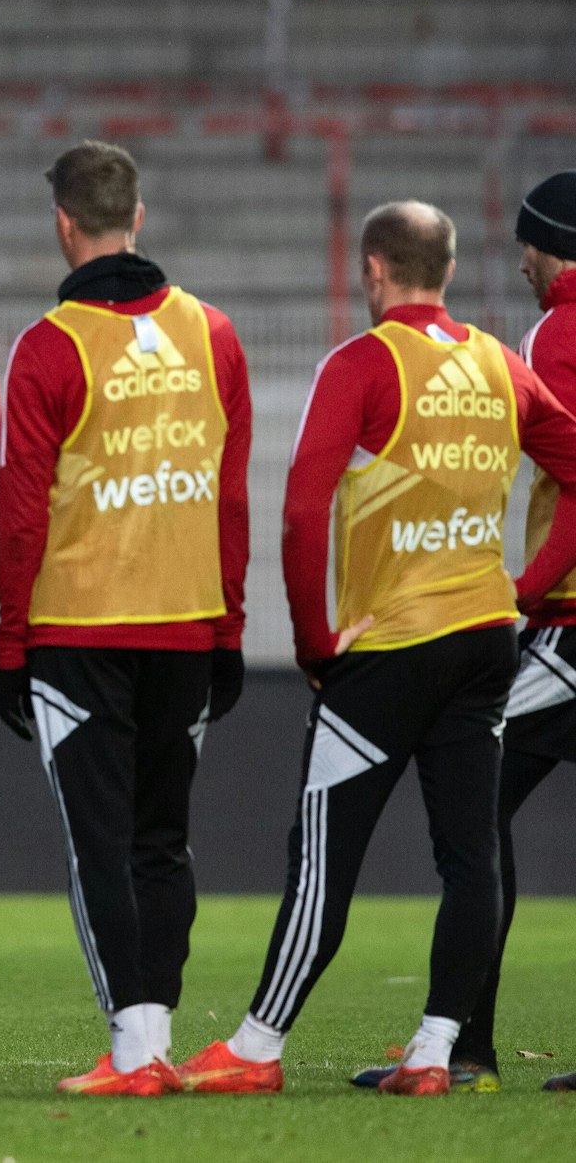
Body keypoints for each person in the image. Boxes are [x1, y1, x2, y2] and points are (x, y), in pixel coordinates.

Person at [178, 201, 576, 1096]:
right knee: (471, 854)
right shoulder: (498, 365)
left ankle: (256, 1044)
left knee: (324, 850)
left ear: (373, 271)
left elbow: (302, 509)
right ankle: (436, 1052)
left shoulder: (361, 364)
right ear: (446, 268)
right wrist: (529, 586)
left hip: (391, 645)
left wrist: (316, 641)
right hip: (485, 643)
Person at [0, 141, 251, 1095]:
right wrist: (229, 629)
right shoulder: (214, 335)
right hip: (186, 624)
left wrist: (8, 645)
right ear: (136, 216)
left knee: (98, 842)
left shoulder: (51, 346)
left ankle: (136, 1051)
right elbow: (230, 497)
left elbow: (22, 511)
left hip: (79, 633)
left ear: (65, 225)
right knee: (163, 839)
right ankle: (159, 1040)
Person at [391, 171, 576, 1096]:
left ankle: (463, 1043)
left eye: (533, 249)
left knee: (476, 807)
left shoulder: (555, 333)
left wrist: (524, 590)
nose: (526, 266)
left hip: (570, 630)